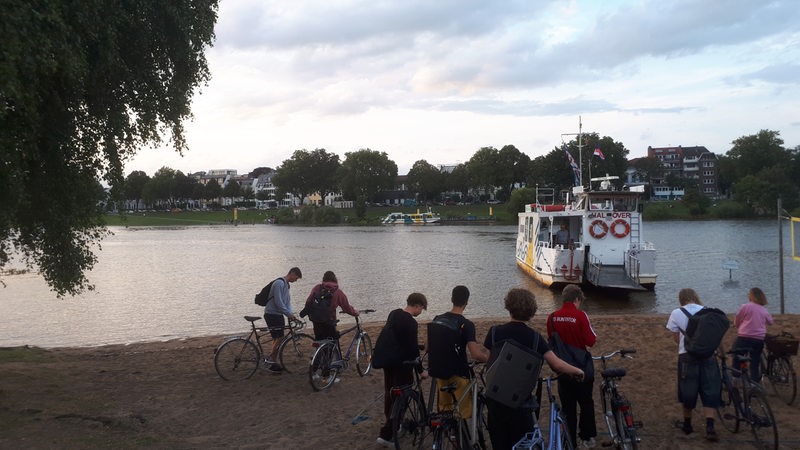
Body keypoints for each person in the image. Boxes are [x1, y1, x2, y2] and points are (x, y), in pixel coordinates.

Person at [483, 288, 584, 450]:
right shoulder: (535, 338)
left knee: (499, 443)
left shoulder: (494, 332)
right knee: (523, 442)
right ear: (531, 311)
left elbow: (488, 359)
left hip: (496, 398)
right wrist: (577, 371)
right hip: (519, 402)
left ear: (509, 307)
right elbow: (556, 364)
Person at [665, 288, 721, 442]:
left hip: (687, 356)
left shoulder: (676, 313)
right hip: (708, 356)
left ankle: (688, 424)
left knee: (688, 390)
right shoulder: (707, 311)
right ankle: (710, 427)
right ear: (695, 297)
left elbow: (676, 339)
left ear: (681, 298)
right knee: (709, 390)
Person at [427, 285, 490, 419]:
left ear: (451, 299)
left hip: (439, 373)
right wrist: (490, 359)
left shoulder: (437, 319)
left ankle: (447, 433)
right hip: (458, 373)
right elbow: (475, 354)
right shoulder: (466, 324)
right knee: (462, 413)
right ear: (466, 302)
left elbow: (428, 347)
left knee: (445, 411)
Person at [546, 284, 597, 449]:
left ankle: (570, 441)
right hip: (580, 366)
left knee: (568, 407)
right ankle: (587, 437)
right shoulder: (581, 316)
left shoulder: (552, 317)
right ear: (577, 299)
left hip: (562, 367)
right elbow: (591, 340)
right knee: (586, 403)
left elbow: (551, 340)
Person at [376, 293, 428, 448]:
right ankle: (387, 435)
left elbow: (398, 339)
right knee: (402, 398)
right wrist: (421, 370)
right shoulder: (411, 323)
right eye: (422, 309)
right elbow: (412, 351)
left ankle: (394, 425)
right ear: (417, 305)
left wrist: (417, 346)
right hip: (402, 366)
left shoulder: (394, 314)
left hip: (388, 362)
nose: (421, 312)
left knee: (390, 394)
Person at [263, 267, 302, 373]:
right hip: (271, 313)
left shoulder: (286, 285)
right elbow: (278, 302)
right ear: (292, 274)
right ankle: (271, 361)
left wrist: (291, 314)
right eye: (296, 278)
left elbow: (287, 301)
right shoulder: (279, 283)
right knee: (279, 337)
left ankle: (273, 362)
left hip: (278, 314)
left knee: (277, 338)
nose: (296, 280)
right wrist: (288, 314)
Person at [302, 270, 359, 340]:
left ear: (323, 279)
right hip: (329, 321)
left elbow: (308, 302)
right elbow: (346, 307)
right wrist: (355, 312)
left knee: (319, 340)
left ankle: (319, 350)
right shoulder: (337, 291)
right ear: (335, 279)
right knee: (331, 342)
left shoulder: (317, 288)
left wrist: (310, 314)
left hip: (316, 320)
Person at [733, 287, 774, 381]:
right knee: (755, 362)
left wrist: (738, 326)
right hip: (758, 339)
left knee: (736, 357)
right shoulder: (764, 310)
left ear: (751, 296)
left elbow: (737, 320)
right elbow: (771, 322)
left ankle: (735, 379)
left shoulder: (745, 306)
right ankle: (754, 384)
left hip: (744, 337)